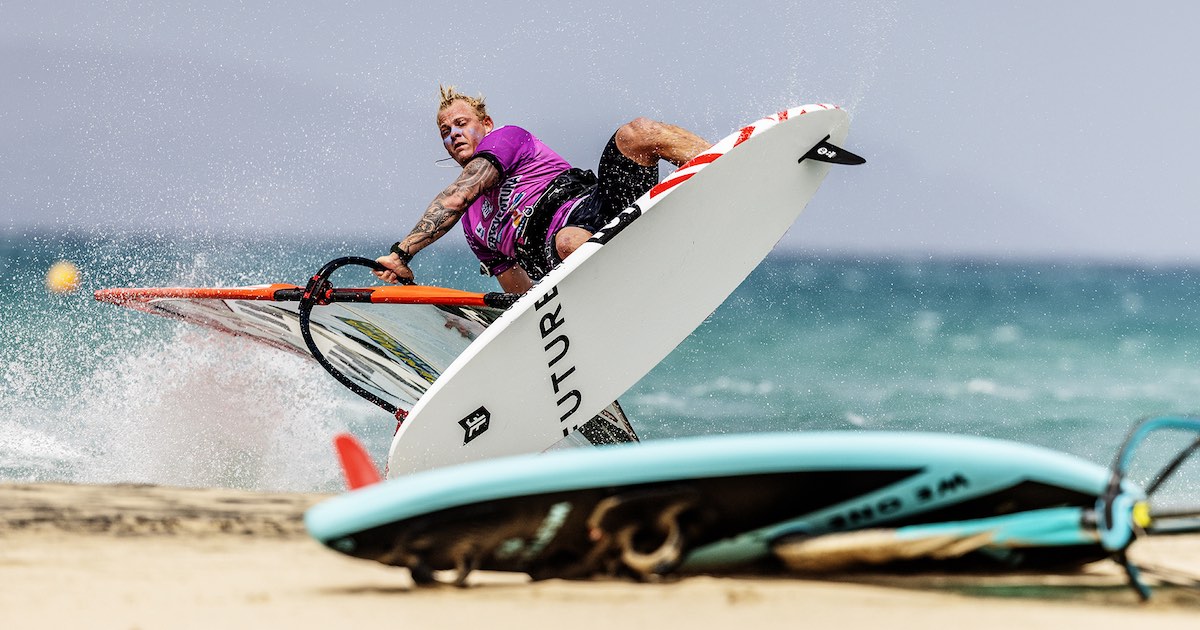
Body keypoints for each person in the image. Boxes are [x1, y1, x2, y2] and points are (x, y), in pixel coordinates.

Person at [374, 86, 710, 294]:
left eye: (461, 124)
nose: (453, 135)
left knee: (637, 133)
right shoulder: (472, 226)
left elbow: (461, 193)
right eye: (445, 131)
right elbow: (520, 292)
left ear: (486, 124)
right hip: (561, 256)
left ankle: (722, 162)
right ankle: (646, 290)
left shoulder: (506, 138)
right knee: (569, 243)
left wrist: (401, 254)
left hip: (595, 205)